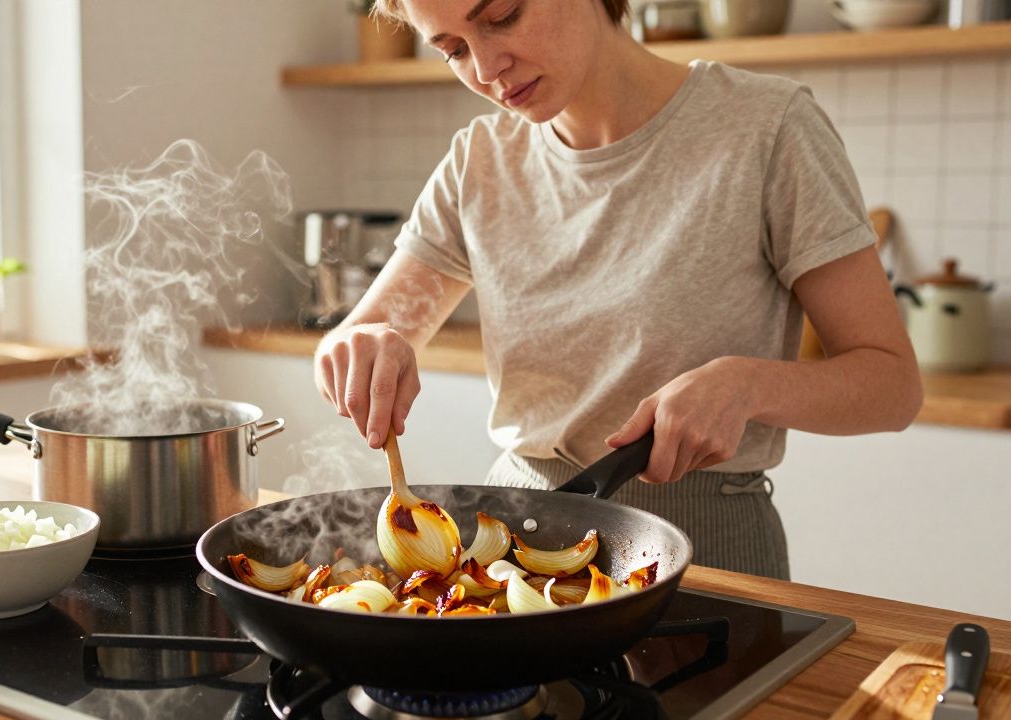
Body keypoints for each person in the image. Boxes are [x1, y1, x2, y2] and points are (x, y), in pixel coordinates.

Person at [312, 0, 923, 580]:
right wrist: (360, 349)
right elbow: (355, 339)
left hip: (707, 550)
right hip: (514, 545)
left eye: (503, 16)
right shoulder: (481, 161)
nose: (486, 68)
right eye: (452, 49)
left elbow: (891, 387)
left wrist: (747, 384)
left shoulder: (766, 128)